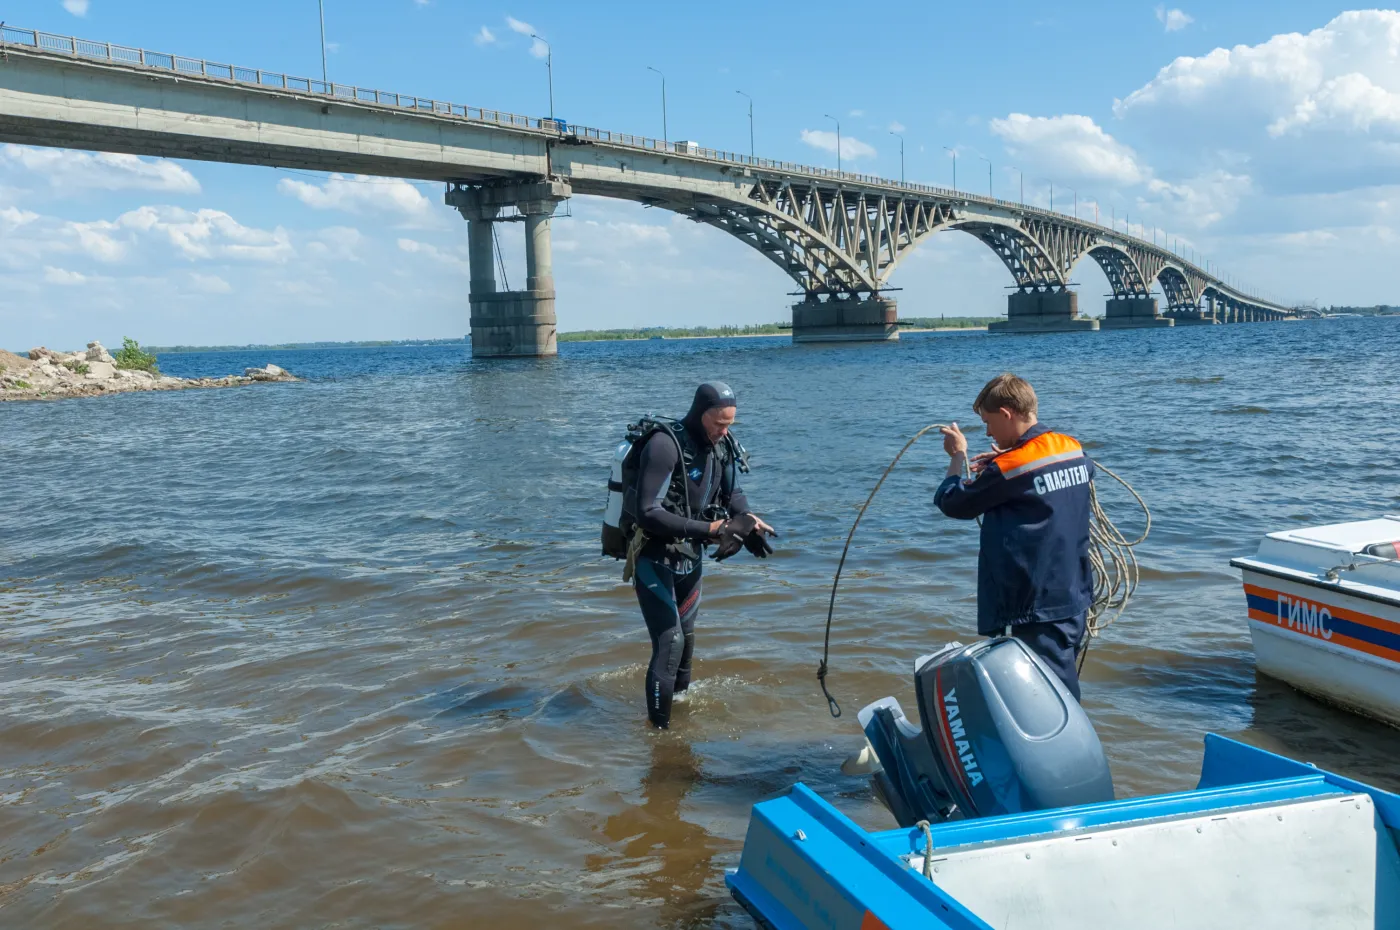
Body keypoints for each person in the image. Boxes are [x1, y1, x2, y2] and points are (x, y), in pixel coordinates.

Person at [933, 373, 1095, 700]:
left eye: (988, 422)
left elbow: (954, 503)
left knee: (1051, 697)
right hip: (1074, 595)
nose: (988, 431)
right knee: (1057, 684)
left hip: (1037, 605)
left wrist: (957, 457)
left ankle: (1065, 751)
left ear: (1007, 414)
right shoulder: (1071, 447)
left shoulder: (1010, 467)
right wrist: (1004, 459)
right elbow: (1049, 474)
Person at [627, 382, 775, 728]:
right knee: (670, 641)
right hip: (654, 555)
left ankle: (679, 721)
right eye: (719, 423)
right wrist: (712, 530)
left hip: (689, 557)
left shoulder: (721, 445)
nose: (724, 432)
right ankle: (659, 736)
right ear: (699, 413)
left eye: (729, 425)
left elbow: (732, 492)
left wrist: (747, 521)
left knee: (687, 641)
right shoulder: (665, 445)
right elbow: (646, 510)